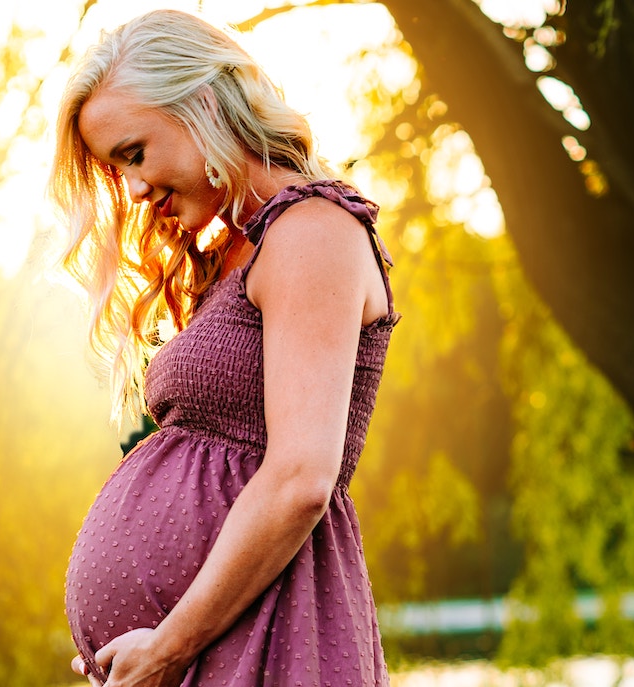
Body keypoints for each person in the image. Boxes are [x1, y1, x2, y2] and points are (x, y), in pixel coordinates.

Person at [49, 9, 399, 687]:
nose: (136, 189)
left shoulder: (314, 231)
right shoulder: (244, 250)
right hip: (211, 647)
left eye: (134, 152)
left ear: (203, 102)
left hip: (271, 641)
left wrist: (168, 645)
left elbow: (301, 478)